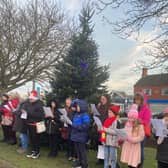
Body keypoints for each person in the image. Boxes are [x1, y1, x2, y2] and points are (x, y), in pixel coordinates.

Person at [71, 99, 90, 168]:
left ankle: (84, 164)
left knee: (82, 151)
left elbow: (86, 126)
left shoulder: (85, 115)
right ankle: (79, 163)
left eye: (78, 106)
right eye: (77, 106)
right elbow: (72, 104)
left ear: (82, 107)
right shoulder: (76, 114)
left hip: (81, 136)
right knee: (78, 151)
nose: (77, 108)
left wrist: (76, 126)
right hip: (75, 135)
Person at [25, 90, 45, 159]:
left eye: (31, 99)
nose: (29, 100)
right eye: (29, 99)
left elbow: (40, 115)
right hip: (29, 123)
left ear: (34, 98)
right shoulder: (30, 104)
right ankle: (33, 151)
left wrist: (29, 113)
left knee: (36, 139)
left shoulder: (40, 104)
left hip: (36, 124)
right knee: (31, 139)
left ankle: (37, 152)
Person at [133, 93, 151, 167]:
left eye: (138, 99)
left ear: (142, 100)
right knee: (134, 148)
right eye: (135, 99)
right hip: (134, 130)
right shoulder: (134, 108)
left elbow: (147, 121)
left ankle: (140, 165)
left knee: (140, 148)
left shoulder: (146, 109)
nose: (137, 101)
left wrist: (140, 121)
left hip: (142, 131)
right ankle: (134, 162)